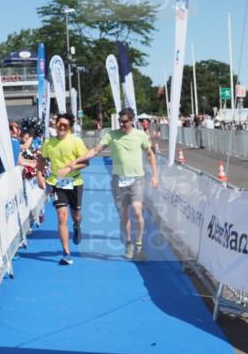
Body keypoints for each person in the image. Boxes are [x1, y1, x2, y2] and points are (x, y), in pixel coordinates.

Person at [67, 107, 159, 260]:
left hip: (137, 178)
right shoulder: (111, 135)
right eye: (120, 122)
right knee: (124, 215)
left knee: (137, 210)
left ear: (131, 121)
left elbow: (150, 155)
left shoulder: (140, 135)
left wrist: (155, 176)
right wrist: (77, 160)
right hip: (118, 179)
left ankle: (139, 245)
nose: (122, 125)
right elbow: (95, 150)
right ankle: (128, 243)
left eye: (124, 122)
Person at [37, 113, 88, 265]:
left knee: (76, 214)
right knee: (61, 215)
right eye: (60, 124)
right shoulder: (48, 143)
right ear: (56, 125)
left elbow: (86, 163)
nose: (62, 127)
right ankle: (66, 253)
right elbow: (42, 159)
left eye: (65, 125)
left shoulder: (76, 141)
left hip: (75, 182)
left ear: (70, 127)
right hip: (57, 183)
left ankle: (77, 225)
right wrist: (39, 175)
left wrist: (70, 167)